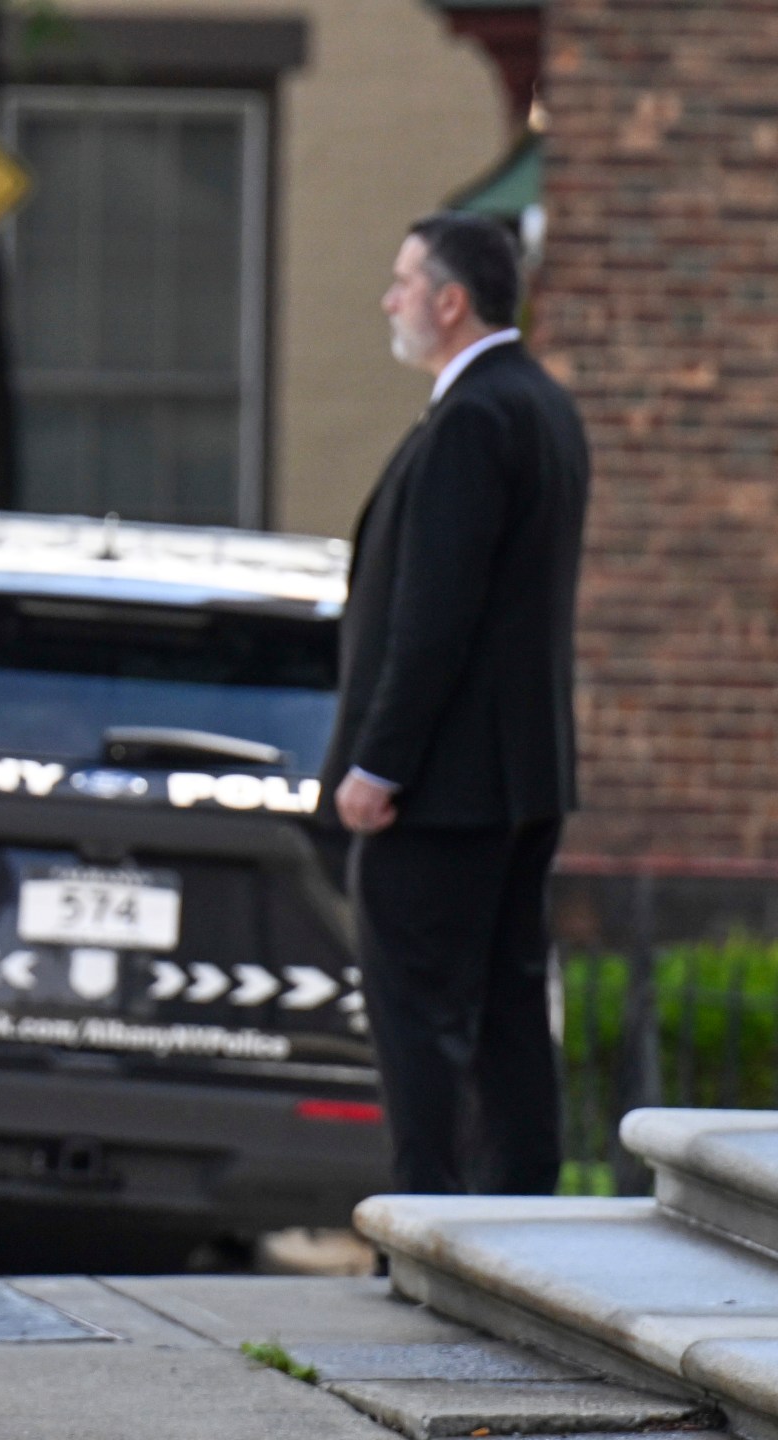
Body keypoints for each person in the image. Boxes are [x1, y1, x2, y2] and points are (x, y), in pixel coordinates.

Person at [323, 212, 589, 1197]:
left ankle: (422, 1226)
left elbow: (434, 620)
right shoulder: (543, 408)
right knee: (509, 1006)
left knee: (418, 1017)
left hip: (443, 788)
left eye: (401, 282)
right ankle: (521, 1224)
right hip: (521, 777)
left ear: (449, 300)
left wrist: (375, 765)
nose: (389, 301)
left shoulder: (473, 419)